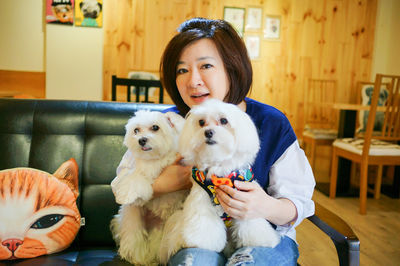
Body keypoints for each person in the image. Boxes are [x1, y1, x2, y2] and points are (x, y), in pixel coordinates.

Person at [116, 17, 315, 265]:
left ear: (231, 68)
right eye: (182, 70)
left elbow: (299, 202)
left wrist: (264, 206)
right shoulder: (163, 125)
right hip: (195, 236)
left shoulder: (271, 123)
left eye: (206, 66)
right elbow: (121, 186)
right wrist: (161, 184)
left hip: (264, 236)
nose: (193, 80)